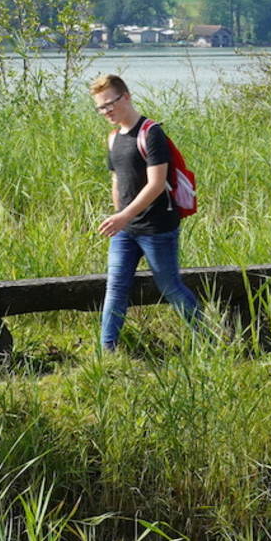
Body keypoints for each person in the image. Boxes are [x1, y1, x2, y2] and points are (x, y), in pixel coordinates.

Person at [89, 74, 202, 350]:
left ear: (126, 96)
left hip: (157, 228)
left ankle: (208, 340)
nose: (106, 111)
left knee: (170, 287)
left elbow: (155, 184)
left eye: (110, 104)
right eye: (100, 108)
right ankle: (108, 351)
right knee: (115, 287)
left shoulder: (151, 133)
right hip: (125, 230)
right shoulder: (114, 138)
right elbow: (117, 180)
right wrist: (120, 217)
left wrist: (123, 216)